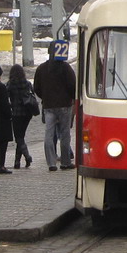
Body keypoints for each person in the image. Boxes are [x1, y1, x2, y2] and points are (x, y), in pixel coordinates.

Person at [33, 41, 76, 172]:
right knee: (65, 134)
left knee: (49, 134)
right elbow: (73, 86)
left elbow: (36, 88)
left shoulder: (41, 69)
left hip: (49, 105)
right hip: (65, 105)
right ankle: (65, 162)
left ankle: (51, 163)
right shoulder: (66, 68)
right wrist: (70, 98)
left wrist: (45, 97)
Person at [6, 63, 36, 168]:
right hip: (27, 113)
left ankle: (27, 157)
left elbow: (6, 97)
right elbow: (33, 94)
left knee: (18, 137)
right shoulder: (27, 83)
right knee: (21, 136)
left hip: (16, 113)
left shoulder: (10, 84)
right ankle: (17, 162)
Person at [0, 65, 14, 174]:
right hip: (2, 120)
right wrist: (10, 114)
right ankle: (1, 165)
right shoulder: (0, 87)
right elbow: (5, 105)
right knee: (3, 144)